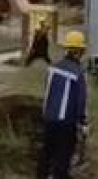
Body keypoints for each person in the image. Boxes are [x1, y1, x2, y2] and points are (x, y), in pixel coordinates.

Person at [37, 30, 88, 179]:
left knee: (47, 151)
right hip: (67, 121)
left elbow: (47, 92)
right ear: (80, 52)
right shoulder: (78, 72)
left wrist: (45, 113)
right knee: (63, 154)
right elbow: (81, 99)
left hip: (49, 117)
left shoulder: (52, 68)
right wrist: (82, 122)